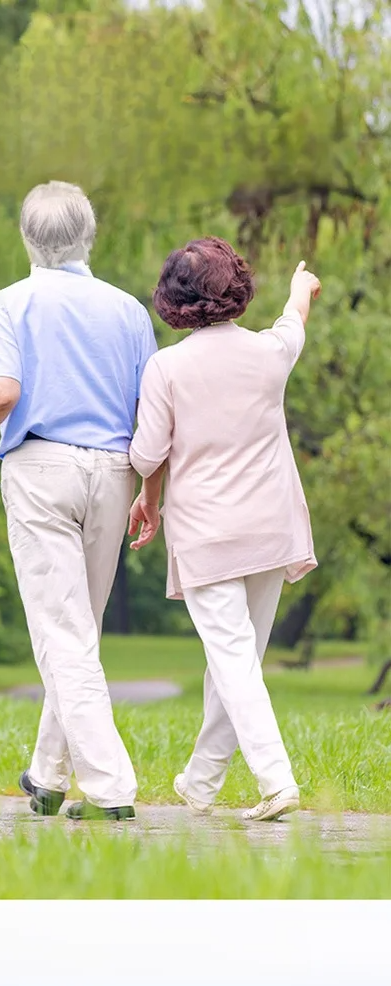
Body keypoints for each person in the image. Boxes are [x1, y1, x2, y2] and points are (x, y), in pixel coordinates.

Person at [0, 180, 160, 820]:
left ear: (27, 239)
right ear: (90, 236)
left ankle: (111, 789)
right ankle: (49, 777)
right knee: (78, 629)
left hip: (42, 468)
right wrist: (149, 492)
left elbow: (3, 393)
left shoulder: (11, 303)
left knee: (63, 633)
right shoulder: (129, 311)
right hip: (115, 472)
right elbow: (151, 414)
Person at [128, 237, 321, 821]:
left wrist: (147, 487)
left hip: (209, 535)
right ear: (235, 288)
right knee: (236, 661)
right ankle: (203, 782)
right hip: (271, 529)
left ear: (174, 298)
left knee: (233, 660)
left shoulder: (167, 367)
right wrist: (299, 287)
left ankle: (276, 780)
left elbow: (145, 455)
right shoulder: (269, 353)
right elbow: (294, 321)